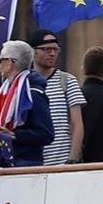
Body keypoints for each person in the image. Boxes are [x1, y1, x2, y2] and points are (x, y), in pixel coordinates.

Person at [0, 40, 55, 167]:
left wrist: (13, 135)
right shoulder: (3, 91)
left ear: (10, 62)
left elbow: (46, 134)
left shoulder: (33, 93)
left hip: (26, 163)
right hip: (5, 160)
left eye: (0, 60)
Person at [28, 29, 86, 165]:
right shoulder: (24, 82)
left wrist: (72, 159)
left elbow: (77, 123)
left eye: (55, 49)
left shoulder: (67, 80)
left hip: (62, 163)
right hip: (32, 163)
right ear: (33, 51)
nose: (52, 53)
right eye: (47, 49)